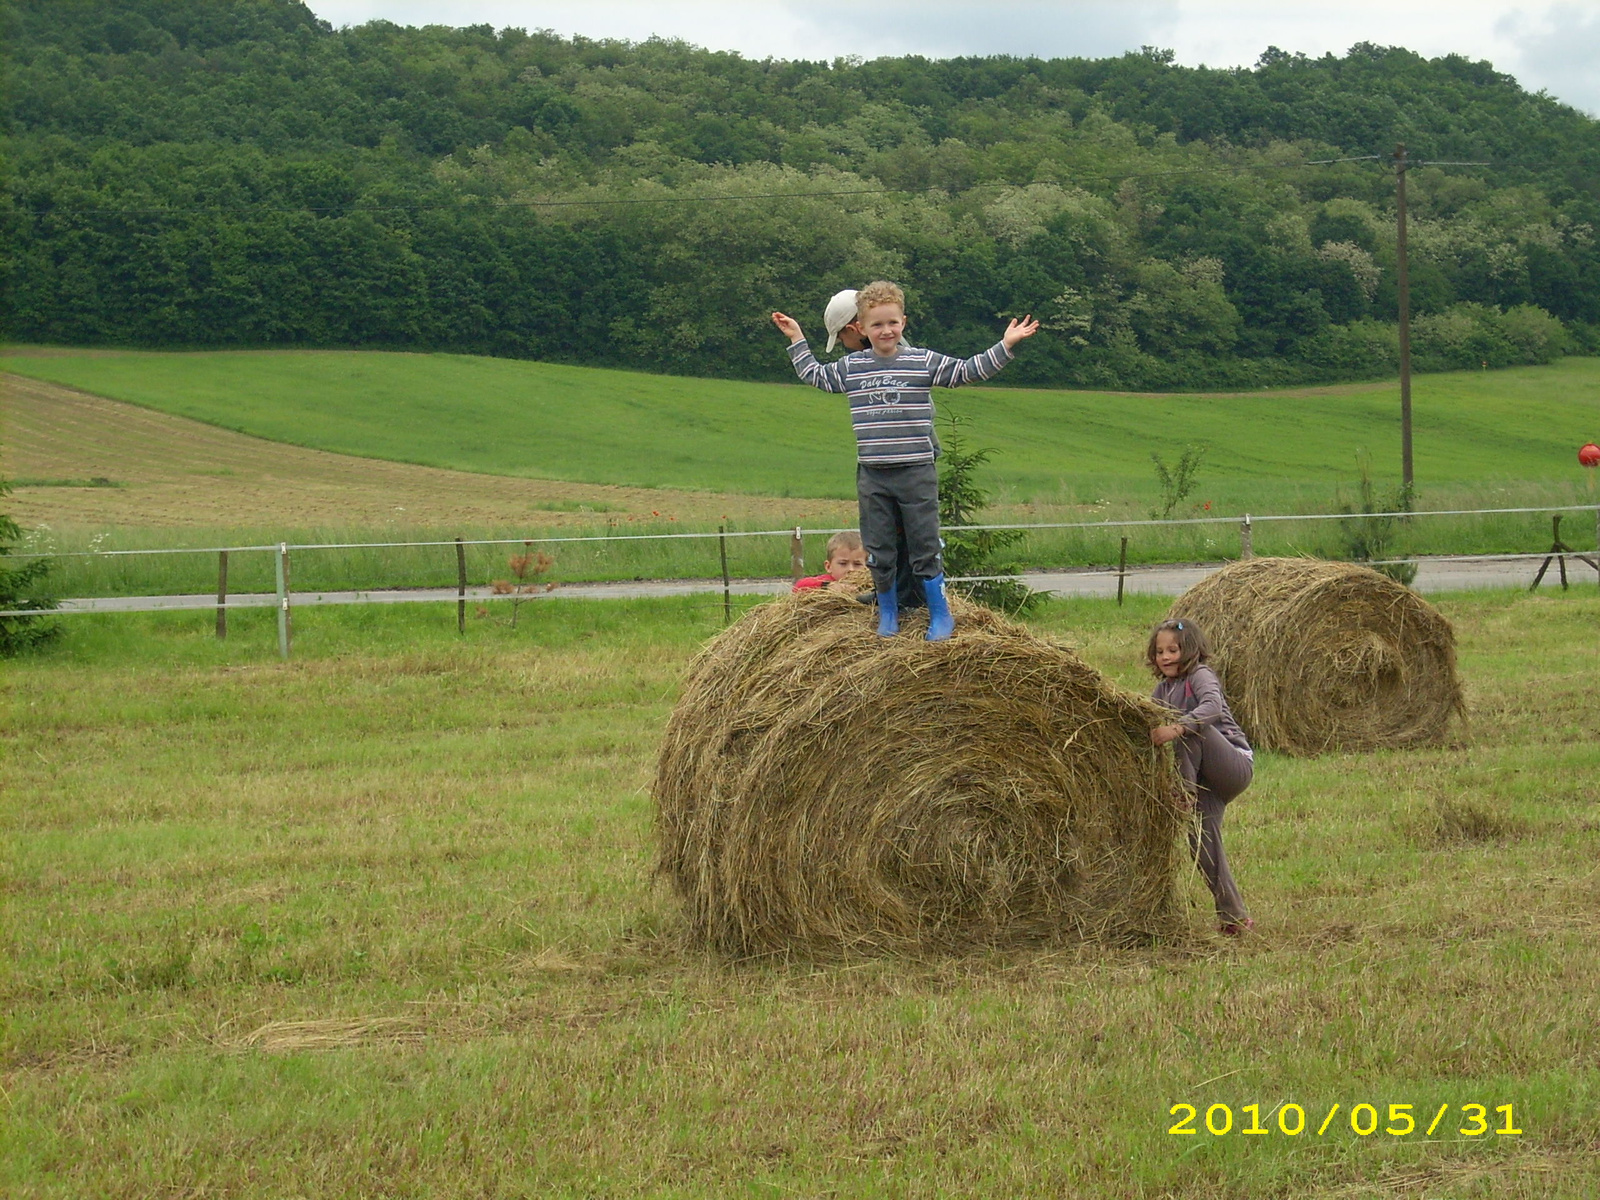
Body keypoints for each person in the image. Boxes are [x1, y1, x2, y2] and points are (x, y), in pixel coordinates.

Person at [772, 280, 1038, 640]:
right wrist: (797, 339)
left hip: (916, 471)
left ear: (903, 322)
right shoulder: (852, 367)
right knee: (880, 549)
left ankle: (940, 614)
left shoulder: (921, 361)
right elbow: (815, 375)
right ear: (862, 329)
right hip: (873, 474)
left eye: (892, 323)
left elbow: (966, 371)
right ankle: (888, 613)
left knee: (924, 545)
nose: (886, 330)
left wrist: (1006, 345)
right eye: (877, 325)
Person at [1147, 617, 1255, 936]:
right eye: (1160, 651)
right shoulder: (1163, 688)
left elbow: (1212, 709)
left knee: (1192, 727)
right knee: (1201, 842)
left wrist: (1178, 727)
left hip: (1233, 764)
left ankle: (1183, 792)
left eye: (1173, 650)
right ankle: (1234, 918)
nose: (1166, 657)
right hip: (1203, 779)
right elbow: (1149, 718)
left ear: (1190, 650)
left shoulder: (1200, 675)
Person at [820, 288, 923, 611]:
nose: (843, 346)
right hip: (881, 455)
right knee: (886, 532)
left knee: (902, 533)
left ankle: (909, 597)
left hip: (906, 458)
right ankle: (891, 594)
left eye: (841, 338)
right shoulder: (868, 361)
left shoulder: (895, 358)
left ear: (853, 329)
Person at [793, 530, 869, 592]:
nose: (850, 569)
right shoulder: (825, 581)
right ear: (828, 566)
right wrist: (827, 586)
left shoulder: (869, 586)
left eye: (857, 564)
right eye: (843, 563)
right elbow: (800, 586)